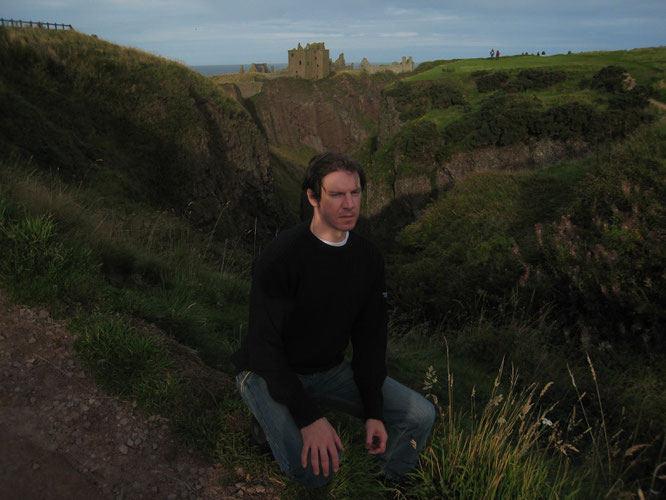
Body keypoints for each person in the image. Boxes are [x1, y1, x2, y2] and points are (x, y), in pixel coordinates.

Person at [232, 152, 435, 488]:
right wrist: (309, 416)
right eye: (337, 194)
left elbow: (371, 339)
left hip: (330, 371)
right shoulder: (281, 258)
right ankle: (267, 426)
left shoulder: (368, 258)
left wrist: (373, 410)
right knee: (317, 473)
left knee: (421, 415)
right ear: (313, 197)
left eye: (355, 193)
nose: (349, 204)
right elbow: (263, 346)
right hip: (268, 372)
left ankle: (387, 481)